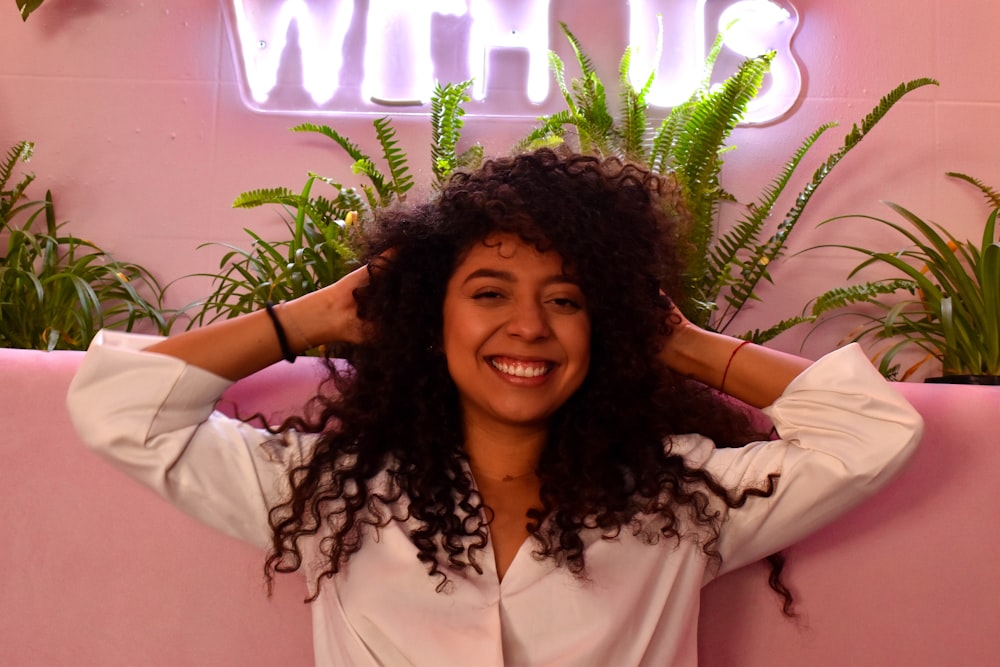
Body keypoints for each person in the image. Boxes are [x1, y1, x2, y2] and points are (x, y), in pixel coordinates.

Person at [67, 148, 923, 666]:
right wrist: (315, 315)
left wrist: (679, 338)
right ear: (429, 315)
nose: (527, 326)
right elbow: (119, 403)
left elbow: (872, 431)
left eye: (567, 299)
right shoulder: (330, 493)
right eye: (488, 291)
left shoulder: (683, 502)